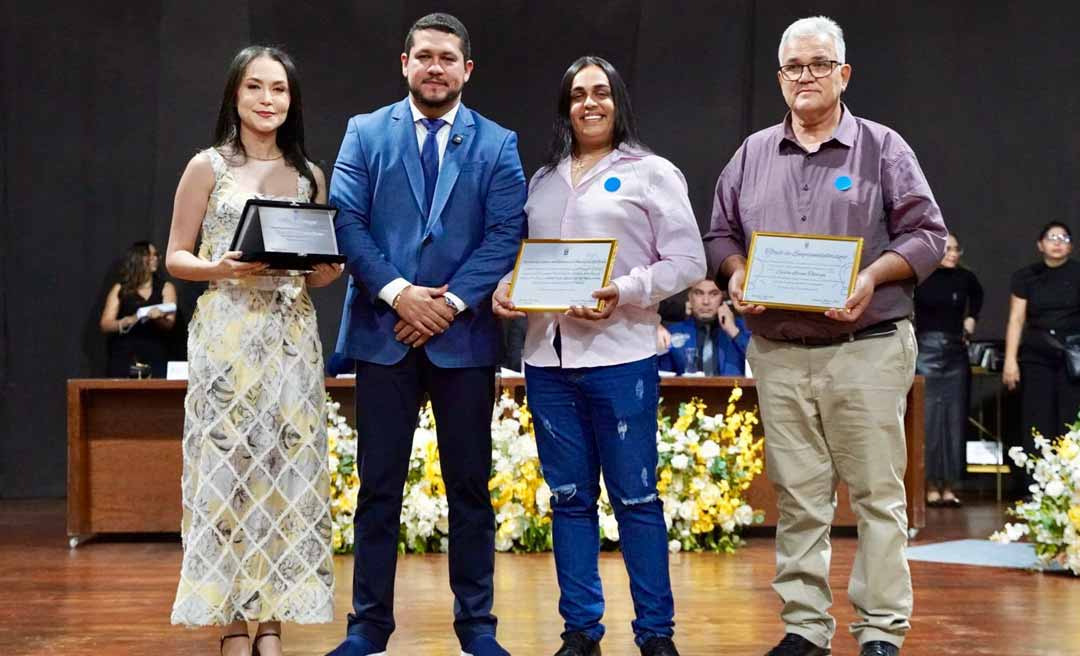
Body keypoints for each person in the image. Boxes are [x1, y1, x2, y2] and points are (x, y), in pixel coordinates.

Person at [703, 16, 947, 656]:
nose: (804, 77)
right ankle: (805, 629)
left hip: (864, 348)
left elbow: (927, 236)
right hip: (780, 354)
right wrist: (736, 274)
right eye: (792, 67)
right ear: (780, 77)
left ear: (843, 73)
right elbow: (720, 236)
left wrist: (869, 276)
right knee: (799, 500)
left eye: (818, 64)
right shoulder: (752, 153)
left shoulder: (883, 147)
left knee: (876, 498)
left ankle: (880, 632)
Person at [326, 13, 526, 656]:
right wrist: (401, 295)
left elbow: (504, 234)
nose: (435, 67)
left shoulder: (498, 144)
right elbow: (347, 222)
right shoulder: (363, 133)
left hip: (462, 339)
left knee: (470, 487)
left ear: (467, 70)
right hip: (384, 331)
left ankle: (477, 628)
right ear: (404, 64)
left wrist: (452, 302)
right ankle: (367, 627)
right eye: (424, 56)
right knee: (378, 487)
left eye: (448, 57)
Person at [494, 55, 704, 656]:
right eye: (578, 94)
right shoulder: (542, 181)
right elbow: (530, 263)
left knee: (636, 498)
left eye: (601, 93)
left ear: (618, 102)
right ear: (565, 106)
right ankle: (581, 632)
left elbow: (688, 262)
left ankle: (655, 635)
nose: (590, 103)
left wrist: (627, 292)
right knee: (568, 501)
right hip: (548, 360)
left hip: (622, 356)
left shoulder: (651, 172)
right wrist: (510, 289)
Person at [165, 45, 342, 656]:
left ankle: (272, 623)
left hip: (292, 336)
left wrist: (327, 270)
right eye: (255, 88)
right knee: (227, 477)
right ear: (235, 97)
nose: (268, 100)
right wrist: (220, 267)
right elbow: (176, 257)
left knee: (284, 476)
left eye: (280, 90)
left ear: (292, 101)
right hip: (229, 332)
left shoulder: (310, 173)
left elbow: (315, 272)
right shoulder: (206, 166)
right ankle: (231, 625)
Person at [1003, 222, 1080, 483]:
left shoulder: (1078, 273)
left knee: (1069, 419)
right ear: (1040, 245)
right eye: (1051, 237)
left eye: (1064, 237)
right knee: (1037, 418)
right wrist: (1010, 361)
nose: (1058, 242)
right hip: (1037, 356)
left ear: (1070, 245)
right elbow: (1016, 319)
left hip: (1072, 358)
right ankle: (1036, 482)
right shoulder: (1026, 276)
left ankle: (1069, 482)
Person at [914, 233, 983, 506]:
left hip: (956, 353)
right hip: (927, 352)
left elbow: (978, 296)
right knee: (929, 420)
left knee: (954, 420)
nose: (953, 254)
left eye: (956, 249)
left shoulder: (966, 278)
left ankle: (950, 486)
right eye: (947, 249)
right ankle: (930, 484)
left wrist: (971, 319)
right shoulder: (921, 277)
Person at [99, 240, 177, 377]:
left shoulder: (166, 287)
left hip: (155, 354)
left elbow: (169, 324)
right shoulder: (121, 289)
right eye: (149, 255)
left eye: (156, 255)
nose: (155, 259)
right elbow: (105, 324)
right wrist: (129, 321)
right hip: (125, 356)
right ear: (137, 258)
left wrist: (158, 318)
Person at [659, 279, 750, 375]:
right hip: (688, 389)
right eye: (698, 293)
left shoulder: (740, 328)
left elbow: (757, 361)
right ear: (690, 297)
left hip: (734, 389)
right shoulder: (673, 332)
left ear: (723, 297)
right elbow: (664, 375)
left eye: (714, 294)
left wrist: (733, 331)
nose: (706, 301)